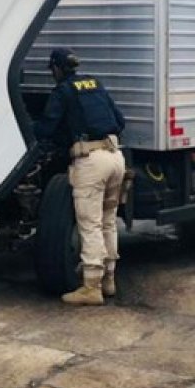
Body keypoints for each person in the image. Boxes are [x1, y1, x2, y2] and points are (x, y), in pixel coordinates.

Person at [34, 48, 126, 306]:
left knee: (90, 224)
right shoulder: (95, 85)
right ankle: (109, 280)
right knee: (108, 221)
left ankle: (91, 288)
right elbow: (119, 121)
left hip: (91, 162)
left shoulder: (63, 91)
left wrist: (30, 129)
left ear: (56, 69)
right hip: (115, 156)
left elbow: (47, 128)